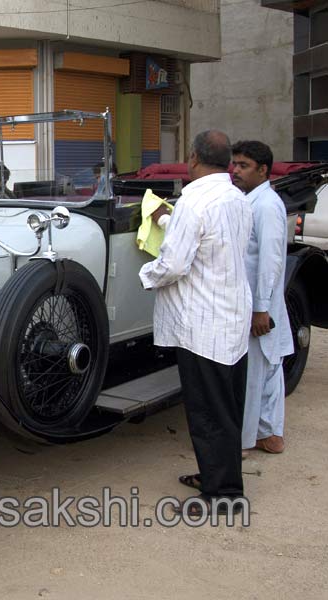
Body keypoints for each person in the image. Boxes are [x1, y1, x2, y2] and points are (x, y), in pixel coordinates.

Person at [139, 130, 253, 517]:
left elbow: (174, 265)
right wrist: (170, 220)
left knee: (207, 411)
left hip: (203, 325)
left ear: (193, 158)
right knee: (227, 406)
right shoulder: (237, 198)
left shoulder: (194, 200)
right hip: (230, 318)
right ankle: (218, 477)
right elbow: (211, 243)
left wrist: (145, 276)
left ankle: (223, 495)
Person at [231, 141, 294, 456]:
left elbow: (270, 261)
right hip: (258, 302)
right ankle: (269, 435)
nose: (236, 170)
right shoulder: (250, 201)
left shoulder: (266, 205)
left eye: (243, 165)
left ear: (263, 170)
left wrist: (261, 310)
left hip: (260, 304)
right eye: (235, 164)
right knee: (268, 367)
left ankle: (244, 442)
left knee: (255, 371)